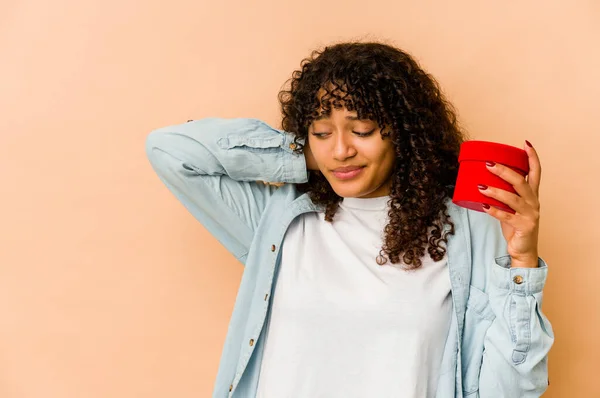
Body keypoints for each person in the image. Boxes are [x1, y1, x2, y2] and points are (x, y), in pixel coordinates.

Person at [145, 42, 554, 398]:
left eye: (362, 129)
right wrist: (308, 155)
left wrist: (522, 262)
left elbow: (511, 390)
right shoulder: (281, 219)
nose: (340, 149)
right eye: (321, 131)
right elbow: (168, 149)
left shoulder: (467, 230)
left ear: (404, 132)